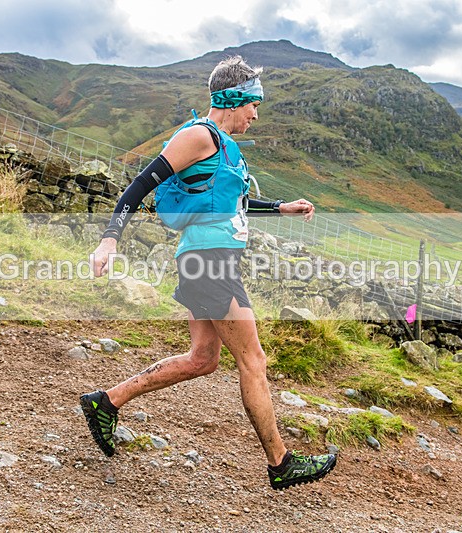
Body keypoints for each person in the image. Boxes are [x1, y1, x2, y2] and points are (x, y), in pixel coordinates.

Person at [81, 56, 336, 490]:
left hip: (209, 260)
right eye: (254, 103)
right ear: (234, 98)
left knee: (203, 360)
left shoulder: (224, 147)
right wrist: (110, 238)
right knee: (253, 360)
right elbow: (141, 183)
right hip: (209, 263)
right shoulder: (198, 136)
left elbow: (230, 202)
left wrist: (280, 207)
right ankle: (281, 462)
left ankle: (106, 402)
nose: (256, 114)